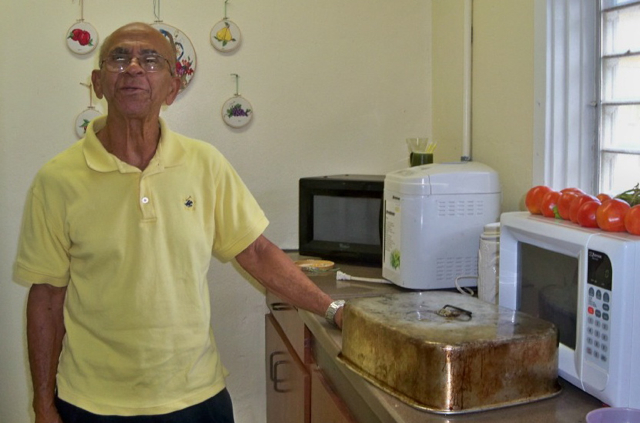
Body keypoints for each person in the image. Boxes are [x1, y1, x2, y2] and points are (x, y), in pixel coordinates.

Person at [13, 22, 344, 423]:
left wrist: (332, 310)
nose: (134, 67)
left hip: (196, 397)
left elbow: (256, 251)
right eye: (119, 57)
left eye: (151, 59)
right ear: (98, 83)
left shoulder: (205, 164)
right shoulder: (57, 179)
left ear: (172, 88)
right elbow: (47, 296)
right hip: (90, 403)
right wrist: (43, 404)